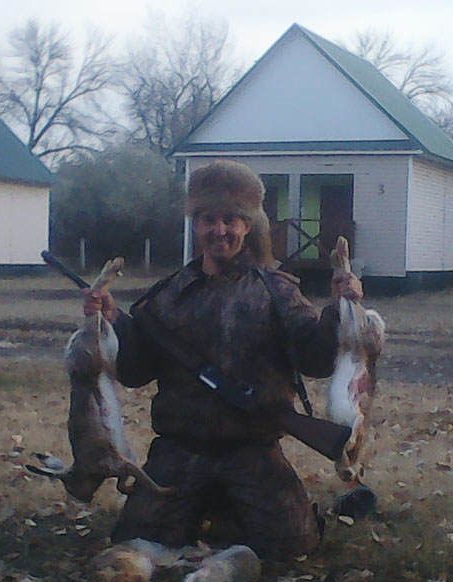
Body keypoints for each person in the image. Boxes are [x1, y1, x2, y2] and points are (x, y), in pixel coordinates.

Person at [83, 160, 362, 559]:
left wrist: (339, 307)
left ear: (248, 225)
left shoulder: (277, 293)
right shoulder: (166, 296)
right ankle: (211, 512)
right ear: (195, 225)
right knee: (135, 545)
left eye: (231, 220)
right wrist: (112, 319)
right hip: (179, 451)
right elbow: (135, 371)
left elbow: (316, 361)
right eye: (208, 220)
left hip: (252, 451)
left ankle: (225, 513)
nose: (220, 230)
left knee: (292, 547)